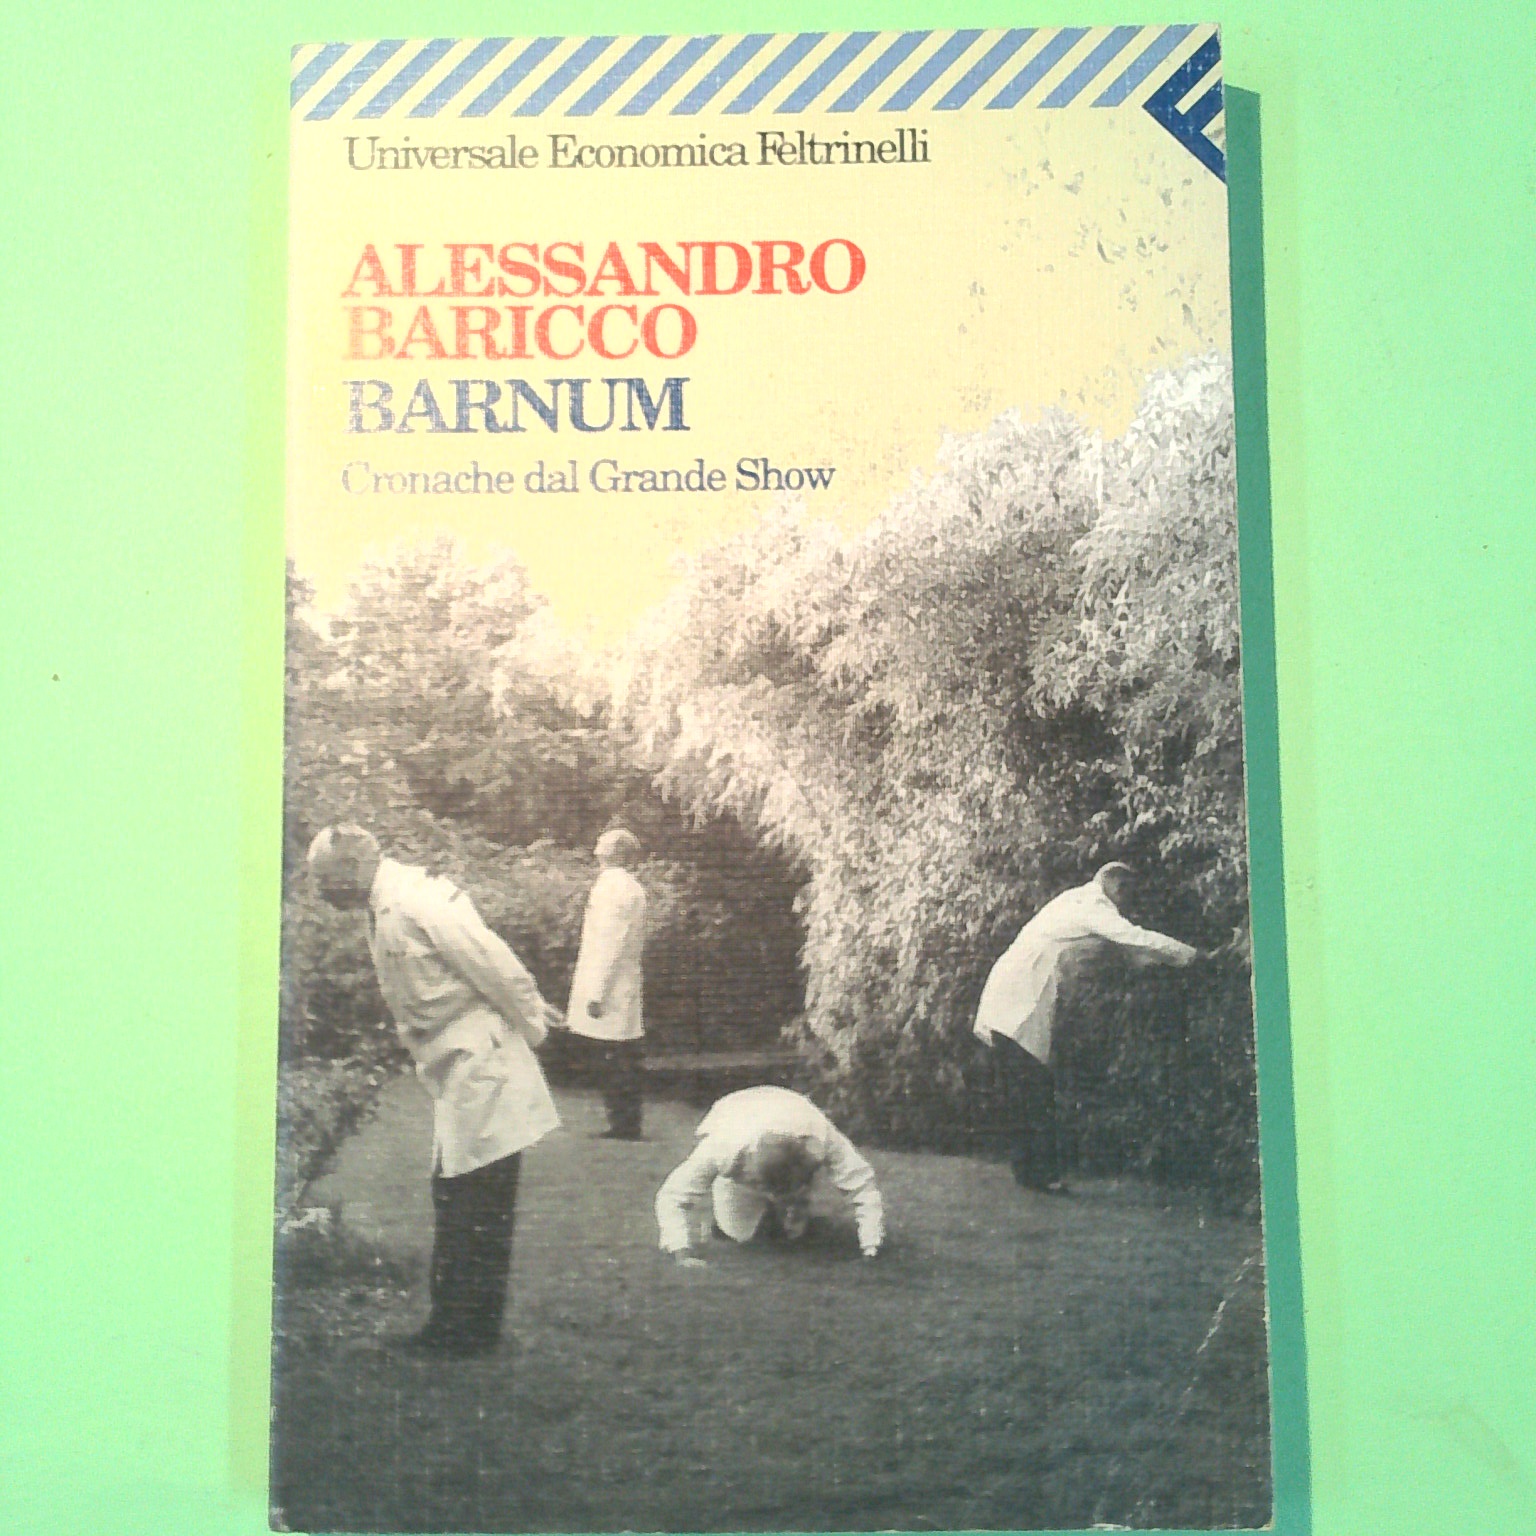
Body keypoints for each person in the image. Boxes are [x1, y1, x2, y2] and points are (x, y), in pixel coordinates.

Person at [307, 824, 561, 1357]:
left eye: (324, 878)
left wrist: (533, 1025)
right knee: (460, 1195)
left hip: (480, 1060)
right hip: (455, 1065)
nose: (320, 891)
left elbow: (494, 964)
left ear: (352, 866)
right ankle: (461, 1327)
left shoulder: (418, 900)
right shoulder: (384, 905)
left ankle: (462, 1333)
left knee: (474, 1199)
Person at [973, 862, 1198, 1193]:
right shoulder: (1092, 904)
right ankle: (1041, 1176)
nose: (1126, 902)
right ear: (1116, 885)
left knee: (1028, 1088)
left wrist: (1174, 959)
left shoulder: (1074, 902)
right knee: (1034, 1089)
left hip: (1011, 993)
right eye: (1126, 892)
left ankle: (1030, 1173)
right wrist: (1192, 956)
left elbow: (1131, 952)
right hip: (1019, 997)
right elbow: (1132, 937)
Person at [654, 1085, 884, 1266]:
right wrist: (681, 1253)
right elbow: (672, 1196)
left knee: (794, 1236)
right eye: (759, 1183)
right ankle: (724, 1225)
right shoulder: (722, 1147)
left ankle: (794, 1216)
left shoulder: (821, 1138)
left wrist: (870, 1248)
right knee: (739, 1235)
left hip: (794, 1112)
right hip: (739, 1111)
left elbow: (863, 1187)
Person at [566, 828, 648, 1140]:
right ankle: (624, 1122)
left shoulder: (614, 887)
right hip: (617, 979)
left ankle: (624, 1124)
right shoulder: (625, 886)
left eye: (602, 842)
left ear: (616, 852)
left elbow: (612, 941)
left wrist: (597, 992)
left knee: (615, 1057)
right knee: (617, 1055)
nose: (596, 846)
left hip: (611, 982)